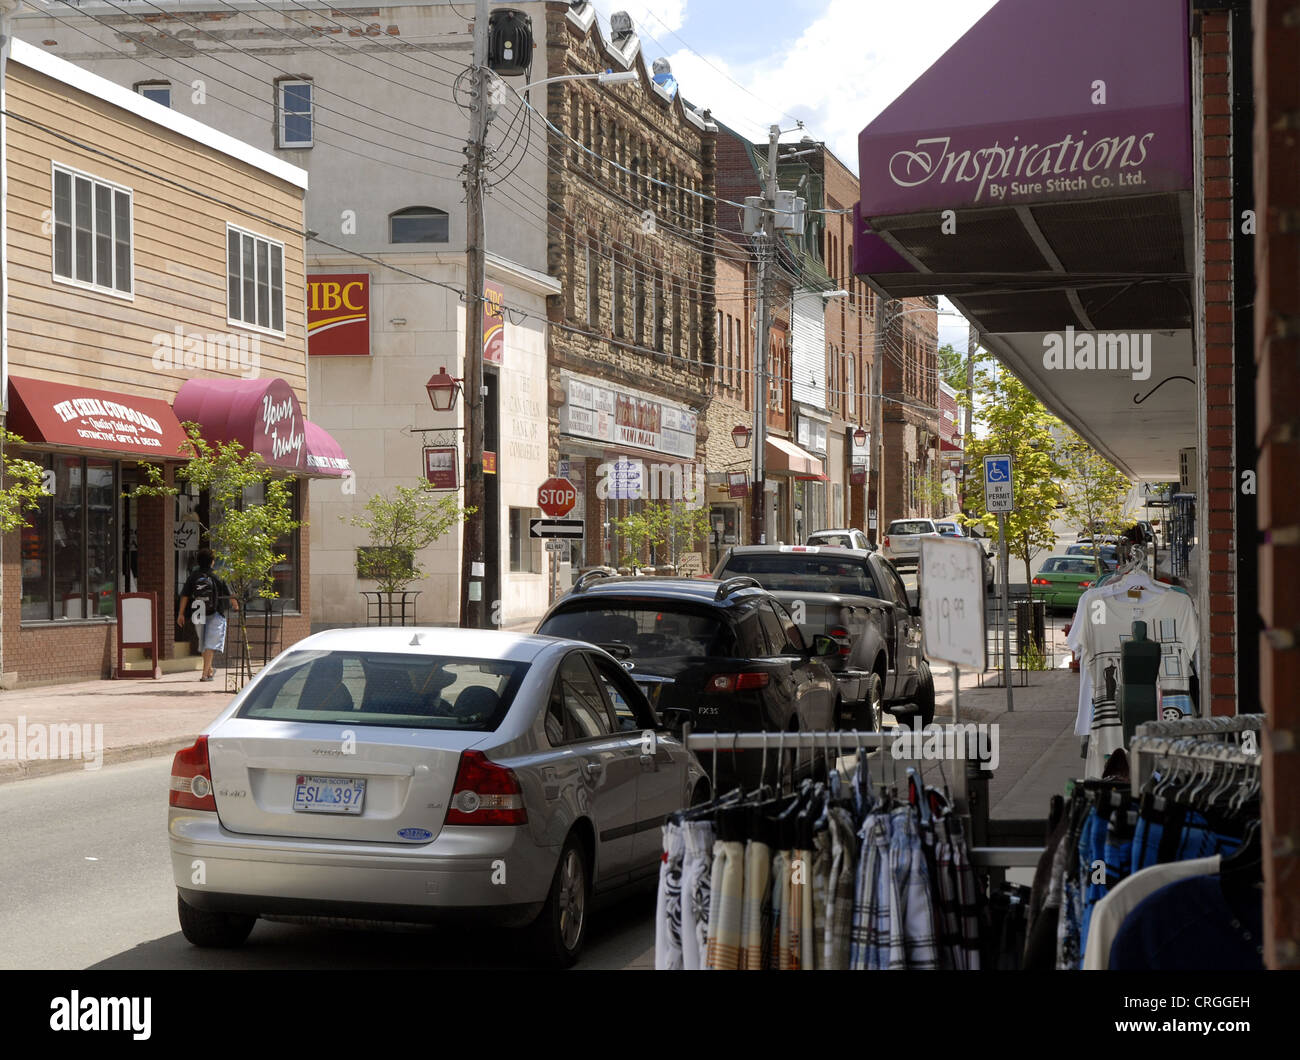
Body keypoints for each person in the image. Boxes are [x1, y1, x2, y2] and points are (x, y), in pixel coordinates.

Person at [177, 548, 239, 682]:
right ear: (212, 562)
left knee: (204, 643)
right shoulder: (217, 575)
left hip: (198, 613)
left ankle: (209, 669)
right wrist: (236, 606)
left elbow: (185, 595)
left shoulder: (193, 576)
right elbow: (229, 594)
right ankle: (205, 674)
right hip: (215, 612)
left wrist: (181, 614)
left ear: (199, 562)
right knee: (210, 644)